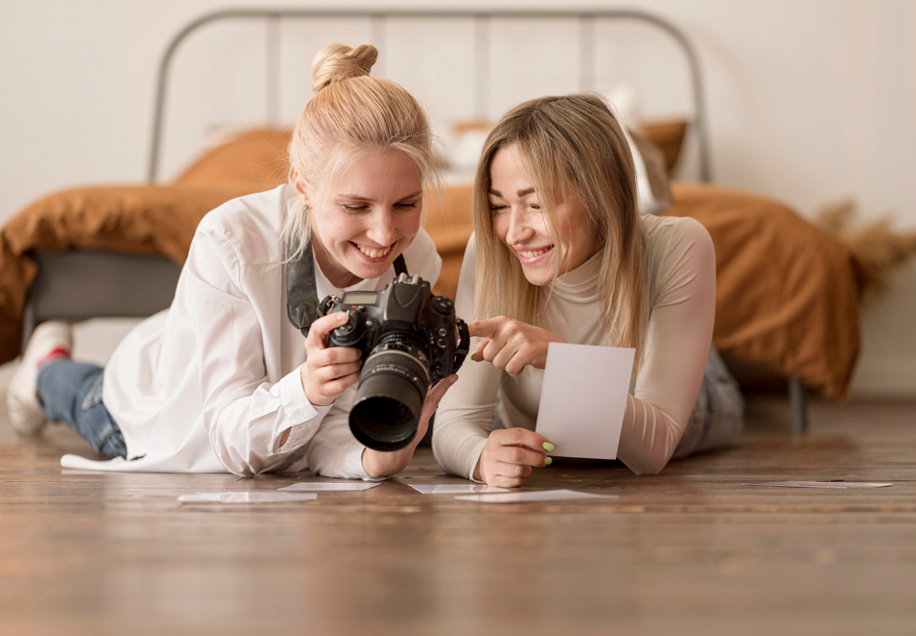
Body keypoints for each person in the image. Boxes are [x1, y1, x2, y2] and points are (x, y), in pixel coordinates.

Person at [6, 44, 456, 478]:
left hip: (269, 418)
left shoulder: (414, 259)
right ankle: (45, 365)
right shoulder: (232, 240)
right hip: (167, 410)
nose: (384, 235)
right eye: (355, 207)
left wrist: (372, 460)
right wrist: (307, 390)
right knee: (86, 396)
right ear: (303, 188)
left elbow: (332, 428)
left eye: (406, 204)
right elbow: (225, 438)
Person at [432, 93, 744, 488]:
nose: (514, 233)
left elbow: (654, 449)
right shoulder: (491, 249)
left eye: (537, 204)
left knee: (707, 381)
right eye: (499, 206)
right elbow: (454, 425)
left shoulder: (680, 244)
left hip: (687, 400)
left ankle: (690, 329)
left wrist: (561, 360)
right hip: (534, 414)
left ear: (601, 193)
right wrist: (479, 458)